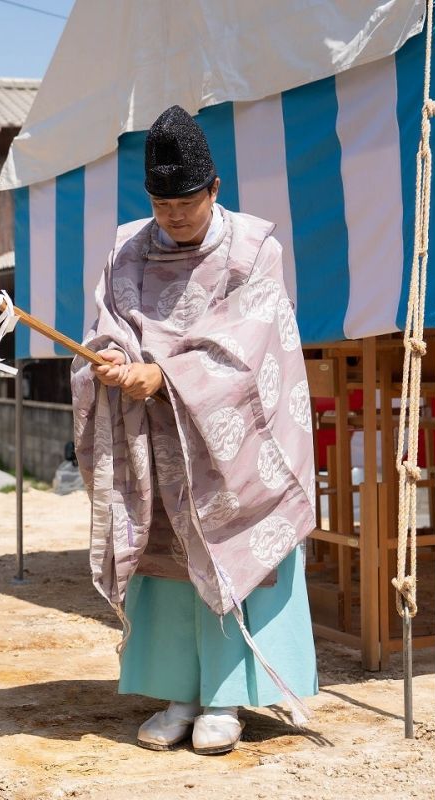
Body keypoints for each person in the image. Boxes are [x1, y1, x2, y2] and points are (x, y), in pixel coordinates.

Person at [71, 105, 318, 755]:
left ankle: (227, 697)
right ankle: (178, 690)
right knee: (169, 562)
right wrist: (115, 360)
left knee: (228, 550)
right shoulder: (128, 248)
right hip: (156, 435)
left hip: (234, 437)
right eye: (162, 204)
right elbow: (108, 322)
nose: (174, 217)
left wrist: (168, 377)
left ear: (214, 190)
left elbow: (249, 341)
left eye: (186, 203)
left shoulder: (255, 248)